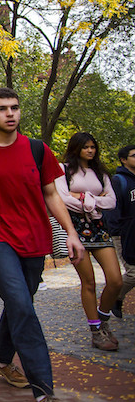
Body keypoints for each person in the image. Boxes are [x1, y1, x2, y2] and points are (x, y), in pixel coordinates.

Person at [0, 87, 84, 402]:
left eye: (14, 107)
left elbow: (51, 194)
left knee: (21, 302)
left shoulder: (38, 150)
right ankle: (43, 389)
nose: (10, 114)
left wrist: (70, 232)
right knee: (22, 305)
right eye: (1, 109)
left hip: (35, 237)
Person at [55, 132, 121, 350]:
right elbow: (62, 198)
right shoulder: (63, 170)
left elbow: (111, 201)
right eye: (86, 147)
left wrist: (83, 199)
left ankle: (103, 318)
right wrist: (94, 201)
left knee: (115, 280)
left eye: (93, 147)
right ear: (76, 148)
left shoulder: (101, 173)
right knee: (89, 282)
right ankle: (96, 331)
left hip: (99, 229)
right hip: (73, 229)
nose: (90, 151)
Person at [107, 144, 135, 318]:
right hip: (125, 234)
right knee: (133, 273)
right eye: (134, 155)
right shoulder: (119, 180)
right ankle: (114, 296)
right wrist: (115, 231)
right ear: (124, 159)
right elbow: (112, 207)